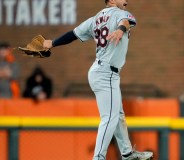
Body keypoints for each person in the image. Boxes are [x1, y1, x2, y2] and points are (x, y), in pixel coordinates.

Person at [42, 0, 153, 159]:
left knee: (118, 114)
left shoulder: (94, 19)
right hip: (105, 73)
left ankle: (127, 153)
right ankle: (98, 157)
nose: (126, 1)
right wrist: (121, 29)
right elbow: (126, 21)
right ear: (112, 0)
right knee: (109, 118)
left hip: (103, 72)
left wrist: (51, 43)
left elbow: (72, 35)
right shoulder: (119, 13)